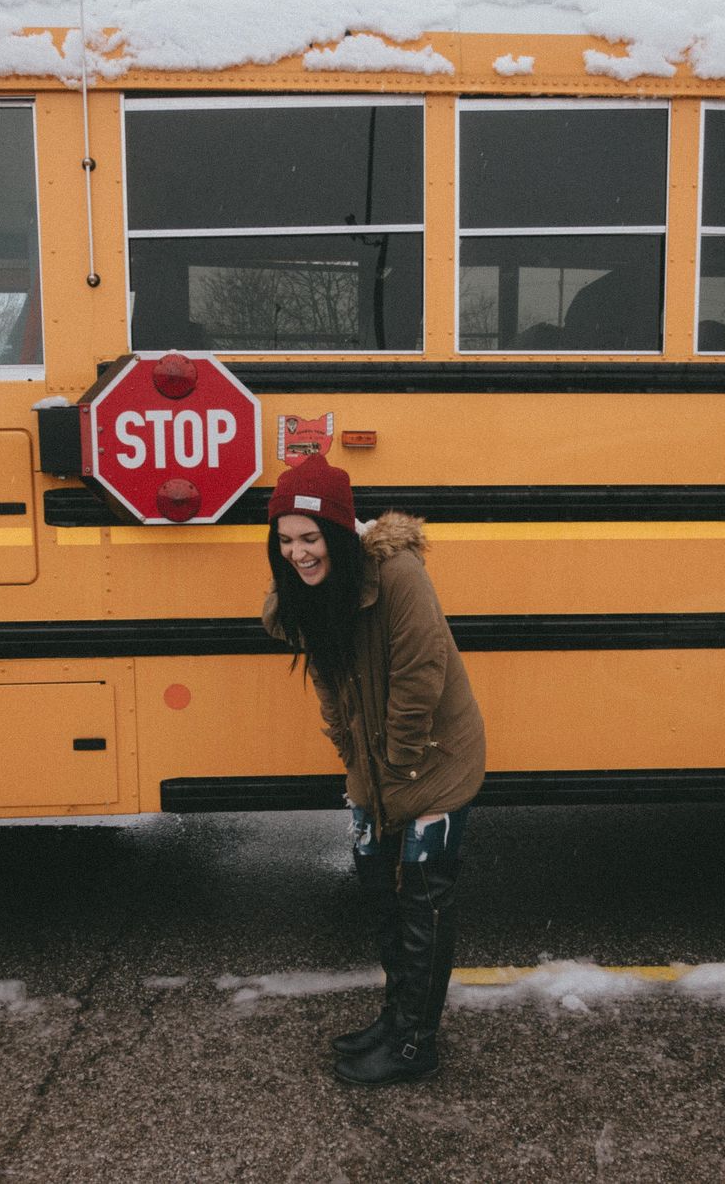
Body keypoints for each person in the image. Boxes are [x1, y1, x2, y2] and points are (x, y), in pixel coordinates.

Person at [262, 453, 486, 1085]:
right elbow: (331, 684)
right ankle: (397, 1016)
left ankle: (417, 1045)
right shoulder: (313, 592)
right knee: (377, 890)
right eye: (285, 541)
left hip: (432, 758)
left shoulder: (399, 573)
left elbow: (422, 673)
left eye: (310, 538)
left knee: (423, 897)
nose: (299, 553)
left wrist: (399, 765)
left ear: (337, 532)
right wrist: (350, 752)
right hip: (376, 763)